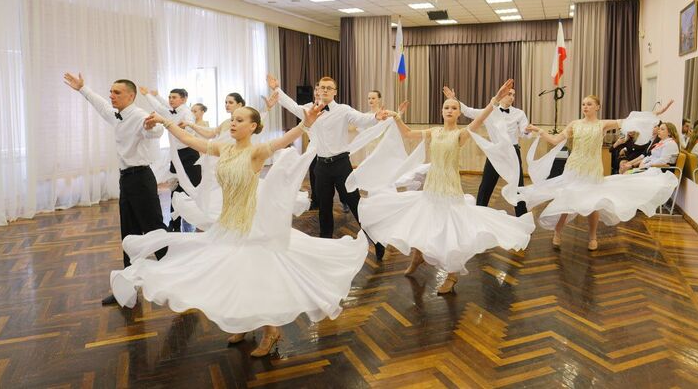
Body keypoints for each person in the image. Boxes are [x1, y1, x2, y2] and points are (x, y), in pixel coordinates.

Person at [113, 104, 368, 357]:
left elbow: (283, 141)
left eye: (239, 120)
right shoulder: (222, 148)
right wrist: (165, 122)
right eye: (232, 119)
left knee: (254, 278)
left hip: (251, 227)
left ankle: (271, 331)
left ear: (253, 126)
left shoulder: (257, 152)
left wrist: (305, 124)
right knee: (233, 277)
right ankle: (244, 323)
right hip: (227, 224)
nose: (233, 123)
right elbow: (189, 140)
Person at [356, 79, 535, 294]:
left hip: (450, 190)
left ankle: (451, 275)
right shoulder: (434, 131)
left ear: (459, 113)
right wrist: (397, 117)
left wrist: (496, 99)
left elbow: (481, 118)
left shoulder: (461, 134)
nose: (449, 110)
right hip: (431, 189)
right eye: (446, 107)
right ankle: (418, 257)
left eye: (453, 108)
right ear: (442, 112)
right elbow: (408, 134)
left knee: (451, 233)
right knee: (423, 223)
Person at [519, 96, 677, 251]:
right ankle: (558, 231)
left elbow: (630, 121)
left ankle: (593, 236)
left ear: (597, 107)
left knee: (593, 203)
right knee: (567, 200)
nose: (585, 107)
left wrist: (655, 113)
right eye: (583, 104)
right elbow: (555, 140)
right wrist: (539, 130)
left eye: (589, 104)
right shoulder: (575, 124)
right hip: (574, 168)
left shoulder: (602, 124)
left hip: (592, 170)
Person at [62, 72, 166, 305]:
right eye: (110, 91)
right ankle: (126, 289)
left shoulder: (139, 115)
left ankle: (177, 280)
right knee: (128, 234)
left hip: (141, 179)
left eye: (116, 92)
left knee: (155, 230)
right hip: (127, 180)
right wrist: (82, 88)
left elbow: (154, 131)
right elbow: (101, 105)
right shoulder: (117, 114)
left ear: (131, 96)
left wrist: (153, 126)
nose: (111, 95)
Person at [267, 74, 388, 260]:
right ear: (318, 90)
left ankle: (377, 241)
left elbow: (361, 119)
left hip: (342, 165)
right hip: (322, 166)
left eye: (328, 88)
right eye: (322, 87)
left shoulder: (343, 110)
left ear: (334, 92)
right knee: (324, 207)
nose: (324, 90)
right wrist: (277, 89)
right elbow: (292, 105)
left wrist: (375, 117)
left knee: (355, 204)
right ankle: (325, 246)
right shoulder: (309, 110)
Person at [443, 86, 529, 216]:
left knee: (518, 187)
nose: (512, 97)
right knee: (486, 186)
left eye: (513, 95)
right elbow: (468, 111)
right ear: (501, 95)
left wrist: (527, 131)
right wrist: (453, 99)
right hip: (495, 153)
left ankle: (522, 218)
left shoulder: (519, 113)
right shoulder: (489, 111)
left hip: (512, 153)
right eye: (509, 94)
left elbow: (525, 133)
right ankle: (478, 215)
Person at [140, 87, 200, 233]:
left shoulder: (187, 113)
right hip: (176, 155)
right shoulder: (171, 111)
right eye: (170, 97)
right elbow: (159, 107)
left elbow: (189, 131)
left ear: (183, 99)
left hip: (189, 155)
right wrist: (148, 95)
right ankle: (174, 222)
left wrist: (184, 127)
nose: (171, 100)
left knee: (190, 189)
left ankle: (194, 221)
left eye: (174, 97)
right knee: (175, 190)